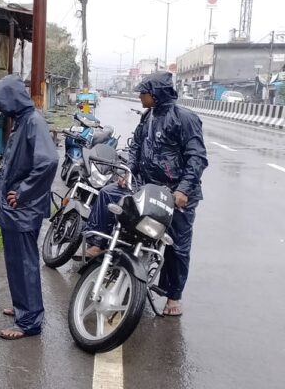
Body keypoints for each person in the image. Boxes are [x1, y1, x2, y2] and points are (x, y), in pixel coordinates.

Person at [84, 72, 208, 317]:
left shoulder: (184, 118)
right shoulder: (148, 117)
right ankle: (98, 243)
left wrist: (183, 189)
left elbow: (197, 158)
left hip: (176, 195)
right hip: (145, 185)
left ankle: (173, 296)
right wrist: (128, 170)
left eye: (143, 92)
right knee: (108, 194)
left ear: (155, 95)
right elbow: (136, 147)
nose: (139, 95)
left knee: (177, 246)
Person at [0, 75, 59, 340]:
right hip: (15, 210)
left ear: (12, 99)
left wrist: (23, 191)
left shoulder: (33, 122)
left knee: (25, 264)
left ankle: (29, 322)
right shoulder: (22, 121)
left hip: (23, 209)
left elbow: (49, 162)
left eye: (1, 102)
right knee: (15, 263)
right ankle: (23, 308)